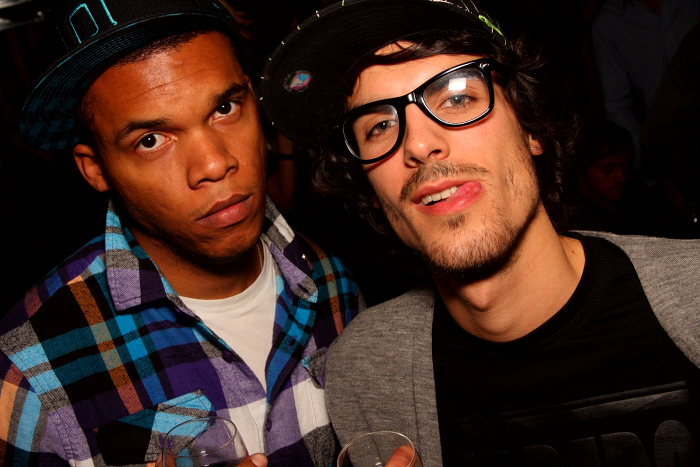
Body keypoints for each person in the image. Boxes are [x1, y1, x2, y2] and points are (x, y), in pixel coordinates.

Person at [259, 0, 700, 465]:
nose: (419, 143)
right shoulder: (364, 373)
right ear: (370, 189)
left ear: (531, 127)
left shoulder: (692, 293)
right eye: (380, 126)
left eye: (456, 97)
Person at [0, 0, 361, 465]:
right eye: (151, 140)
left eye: (224, 108)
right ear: (97, 169)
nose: (214, 163)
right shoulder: (32, 369)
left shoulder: (332, 281)